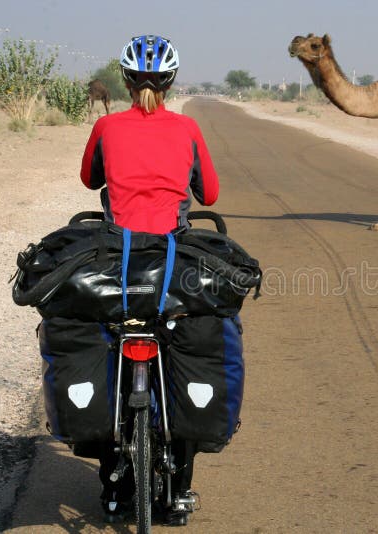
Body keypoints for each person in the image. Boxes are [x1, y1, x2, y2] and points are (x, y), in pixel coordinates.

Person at [80, 34, 219, 526]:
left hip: (117, 264)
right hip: (171, 265)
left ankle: (111, 490)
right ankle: (181, 486)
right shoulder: (187, 128)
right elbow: (209, 193)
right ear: (170, 82)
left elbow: (89, 180)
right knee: (186, 350)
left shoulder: (106, 126)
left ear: (124, 81)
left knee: (104, 347)